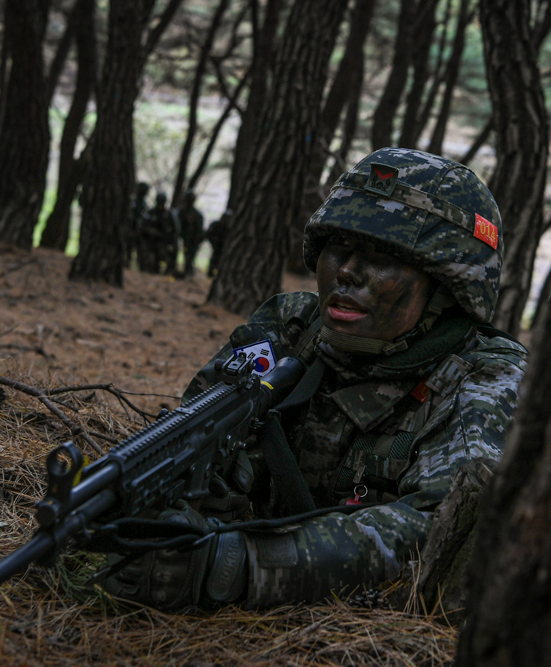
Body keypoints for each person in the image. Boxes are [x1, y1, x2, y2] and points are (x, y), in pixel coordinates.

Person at [104, 148, 527, 610]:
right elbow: (191, 433)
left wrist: (241, 567)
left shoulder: (488, 380)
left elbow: (439, 537)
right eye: (339, 248)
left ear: (447, 287)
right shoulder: (291, 327)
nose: (347, 271)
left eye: (383, 257)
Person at [139, 191, 177, 275]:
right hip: (151, 242)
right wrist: (152, 232)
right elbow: (143, 227)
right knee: (151, 262)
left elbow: (175, 230)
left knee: (166, 257)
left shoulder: (168, 214)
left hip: (164, 243)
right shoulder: (150, 213)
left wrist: (170, 240)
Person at [177, 191, 205, 277]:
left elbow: (200, 230)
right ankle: (187, 273)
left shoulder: (197, 214)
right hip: (186, 238)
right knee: (187, 256)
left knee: (190, 257)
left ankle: (189, 273)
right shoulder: (181, 212)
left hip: (193, 240)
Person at [129, 182, 151, 268]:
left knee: (141, 250)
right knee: (129, 249)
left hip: (141, 231)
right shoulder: (133, 202)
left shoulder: (144, 204)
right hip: (131, 229)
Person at [206, 211, 230, 277]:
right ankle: (211, 273)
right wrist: (214, 242)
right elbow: (209, 234)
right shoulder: (216, 225)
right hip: (216, 245)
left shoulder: (227, 227)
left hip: (222, 246)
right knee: (215, 258)